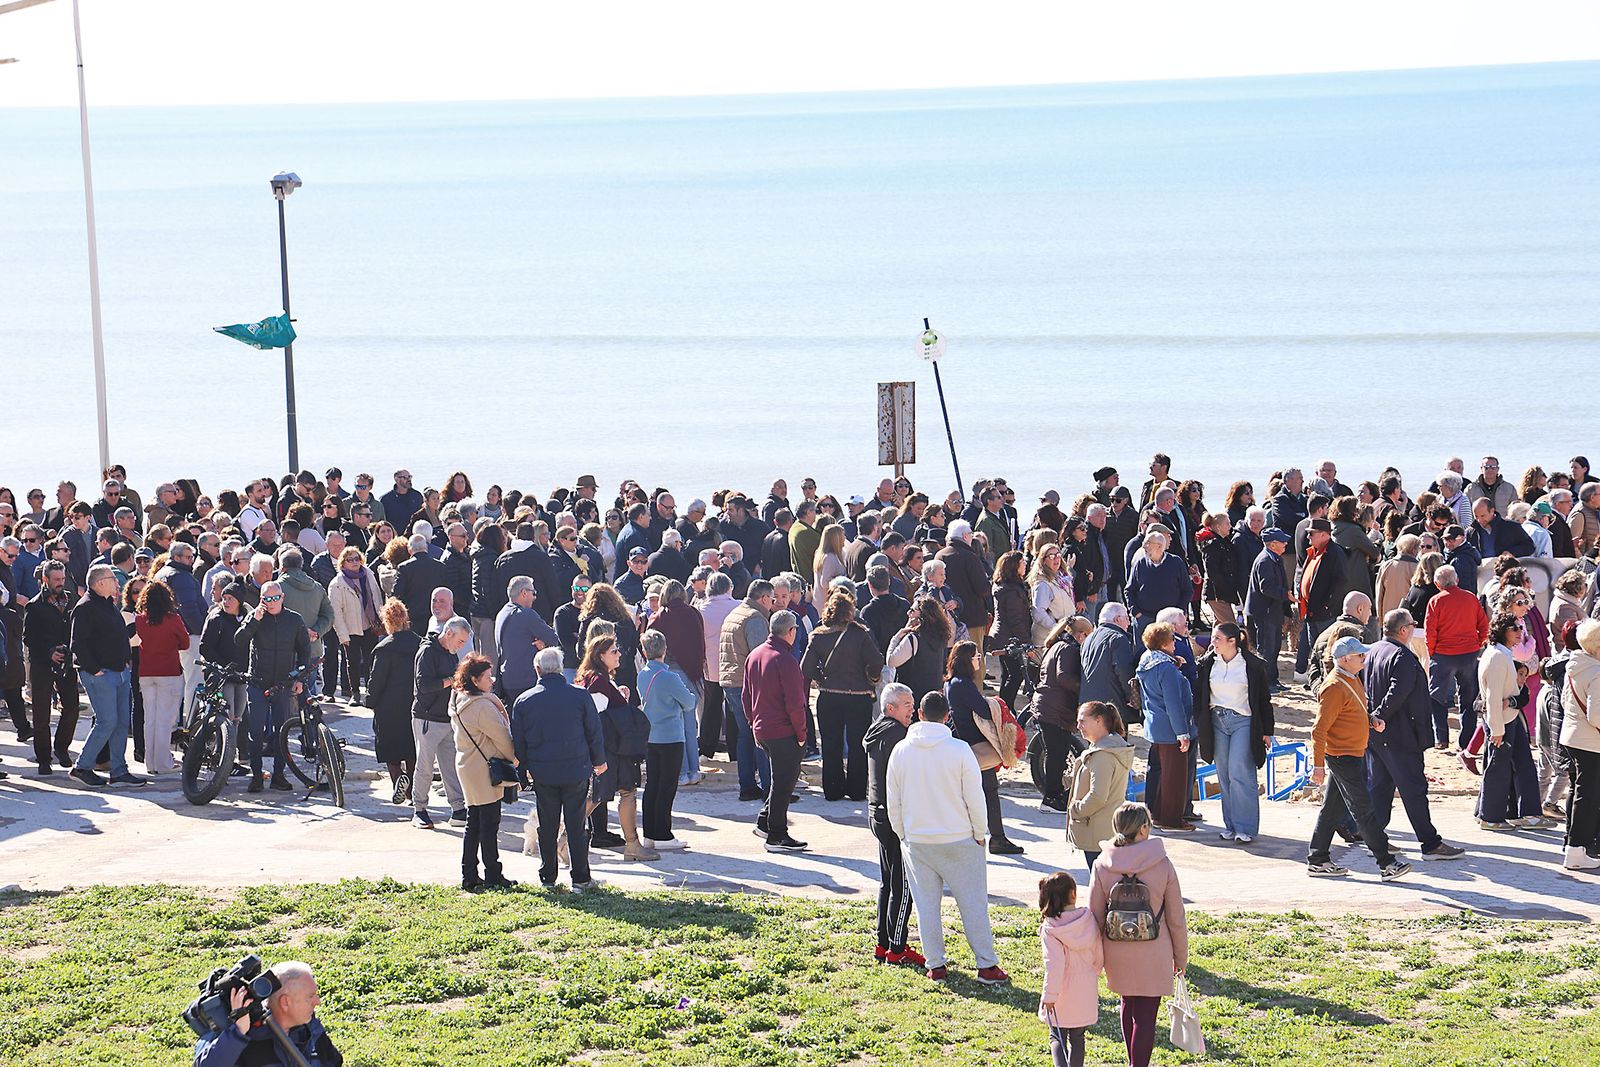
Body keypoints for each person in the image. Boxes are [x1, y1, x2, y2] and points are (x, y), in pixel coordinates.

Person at [887, 690, 1009, 985]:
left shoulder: (901, 751)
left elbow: (894, 799)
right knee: (973, 904)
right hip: (959, 838)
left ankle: (936, 965)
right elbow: (974, 798)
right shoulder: (959, 750)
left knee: (927, 906)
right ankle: (986, 965)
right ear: (947, 717)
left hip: (917, 840)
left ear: (919, 715)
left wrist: (903, 833)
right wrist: (980, 833)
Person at [1088, 802, 1188, 1067]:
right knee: (1146, 1016)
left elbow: (1095, 915)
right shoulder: (1162, 864)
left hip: (1116, 948)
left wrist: (1095, 955)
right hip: (1154, 949)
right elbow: (1176, 917)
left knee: (1127, 1003)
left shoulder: (1102, 864)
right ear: (1143, 829)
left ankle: (1133, 1061)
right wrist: (1181, 957)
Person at [1307, 636, 1411, 881]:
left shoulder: (1351, 679)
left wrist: (1370, 720)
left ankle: (1318, 859)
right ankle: (1387, 862)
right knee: (1363, 810)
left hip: (1352, 754)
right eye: (1360, 656)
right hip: (1342, 756)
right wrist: (1318, 765)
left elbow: (1353, 712)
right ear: (1344, 659)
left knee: (1332, 809)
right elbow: (1319, 730)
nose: (1365, 659)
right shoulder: (1333, 687)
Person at [1364, 609, 1465, 860]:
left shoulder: (1374, 650)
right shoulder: (1402, 657)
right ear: (1403, 630)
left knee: (1380, 787)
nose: (1413, 629)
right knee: (1413, 789)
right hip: (1399, 734)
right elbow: (1398, 691)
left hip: (1379, 735)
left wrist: (1373, 717)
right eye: (1412, 625)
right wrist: (1379, 715)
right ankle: (1429, 843)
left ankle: (1375, 839)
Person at [513, 646, 607, 889]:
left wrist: (523, 770)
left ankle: (548, 876)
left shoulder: (524, 701)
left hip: (544, 772)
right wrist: (599, 761)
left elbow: (519, 741)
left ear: (537, 670)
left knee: (547, 824)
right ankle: (580, 878)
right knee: (576, 825)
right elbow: (594, 732)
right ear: (560, 667)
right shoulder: (579, 695)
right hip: (576, 768)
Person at [1194, 621, 1274, 844]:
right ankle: (1230, 825)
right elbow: (1198, 695)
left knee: (1240, 771)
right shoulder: (1208, 663)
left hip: (1243, 721)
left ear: (1233, 641)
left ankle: (1245, 827)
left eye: (1217, 638)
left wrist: (1267, 730)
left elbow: (1264, 701)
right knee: (1224, 773)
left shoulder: (1252, 665)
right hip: (1216, 721)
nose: (1212, 642)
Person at [800, 589, 884, 801]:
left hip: (829, 696)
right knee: (857, 744)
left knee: (830, 743)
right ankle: (856, 791)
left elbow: (806, 667)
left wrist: (821, 678)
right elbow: (876, 662)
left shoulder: (819, 636)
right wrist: (871, 679)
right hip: (858, 695)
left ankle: (833, 789)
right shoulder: (860, 634)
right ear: (850, 610)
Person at [864, 683, 924, 967]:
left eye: (912, 704)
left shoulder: (878, 729)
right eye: (907, 705)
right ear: (890, 708)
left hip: (876, 813)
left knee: (887, 883)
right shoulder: (899, 736)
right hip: (893, 818)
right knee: (903, 887)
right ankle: (897, 948)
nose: (912, 710)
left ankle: (883, 943)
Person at [945, 639, 1023, 854]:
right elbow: (984, 711)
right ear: (967, 661)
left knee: (979, 792)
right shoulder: (963, 684)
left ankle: (992, 837)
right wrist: (994, 702)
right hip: (976, 746)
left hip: (965, 745)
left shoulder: (952, 682)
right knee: (988, 791)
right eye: (976, 656)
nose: (979, 659)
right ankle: (996, 839)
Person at [580, 635, 655, 861]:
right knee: (610, 794)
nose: (619, 654)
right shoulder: (599, 681)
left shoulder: (600, 679)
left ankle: (563, 839)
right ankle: (563, 839)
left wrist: (619, 697)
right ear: (600, 656)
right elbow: (593, 717)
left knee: (612, 794)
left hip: (612, 748)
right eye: (613, 651)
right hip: (611, 750)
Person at [233, 580, 310, 793]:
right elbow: (239, 640)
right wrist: (254, 621)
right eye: (267, 599)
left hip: (283, 684)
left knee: (281, 732)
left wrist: (299, 679)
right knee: (256, 731)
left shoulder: (294, 620)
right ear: (261, 600)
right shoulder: (255, 617)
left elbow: (304, 651)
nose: (272, 602)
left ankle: (278, 775)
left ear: (282, 598)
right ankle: (256, 775)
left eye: (275, 598)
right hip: (257, 682)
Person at [69, 564, 142, 787]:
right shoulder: (85, 607)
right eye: (112, 579)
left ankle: (119, 770)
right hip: (101, 674)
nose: (117, 583)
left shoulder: (108, 604)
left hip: (119, 672)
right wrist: (94, 669)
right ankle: (82, 766)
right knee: (107, 721)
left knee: (120, 723)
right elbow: (77, 644)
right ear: (100, 583)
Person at [450, 653, 518, 891]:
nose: (492, 681)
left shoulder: (459, 701)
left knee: (474, 823)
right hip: (484, 770)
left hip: (468, 766)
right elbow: (502, 738)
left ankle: (469, 874)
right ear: (475, 680)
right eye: (488, 677)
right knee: (488, 825)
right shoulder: (480, 707)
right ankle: (493, 874)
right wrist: (515, 760)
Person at [743, 609, 809, 852]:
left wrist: (752, 723)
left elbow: (745, 696)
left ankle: (764, 822)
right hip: (783, 731)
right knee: (784, 783)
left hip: (762, 729)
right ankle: (777, 836)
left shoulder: (755, 655)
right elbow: (796, 703)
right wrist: (802, 735)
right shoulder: (786, 660)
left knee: (778, 779)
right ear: (791, 632)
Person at [191, 960, 339, 1067]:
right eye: (310, 996)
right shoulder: (242, 1039)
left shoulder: (310, 1028)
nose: (317, 1001)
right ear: (285, 1002)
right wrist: (238, 1032)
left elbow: (333, 1062)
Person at [1475, 613, 1546, 830]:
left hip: (1511, 719)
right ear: (1502, 630)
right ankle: (1490, 816)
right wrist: (1496, 728)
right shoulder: (1496, 656)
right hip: (1502, 722)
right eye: (1515, 628)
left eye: (1520, 628)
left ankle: (1528, 814)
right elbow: (1493, 695)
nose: (1520, 633)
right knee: (1498, 768)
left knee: (1524, 764)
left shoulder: (1502, 653)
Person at [1037, 870, 1103, 1067]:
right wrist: (1094, 972)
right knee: (1078, 1036)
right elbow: (1098, 951)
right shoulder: (1088, 919)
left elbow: (1054, 965)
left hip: (1062, 990)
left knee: (1057, 1036)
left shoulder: (1051, 928)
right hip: (1086, 986)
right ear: (1073, 893)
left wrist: (1050, 995)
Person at [638, 628, 696, 850]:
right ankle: (663, 834)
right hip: (671, 737)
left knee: (653, 785)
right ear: (664, 649)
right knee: (667, 787)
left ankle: (650, 833)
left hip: (651, 737)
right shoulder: (669, 677)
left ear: (644, 651)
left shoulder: (642, 674)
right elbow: (689, 703)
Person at [411, 617, 471, 829]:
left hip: (446, 717)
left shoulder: (450, 654)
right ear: (449, 634)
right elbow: (423, 686)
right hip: (427, 717)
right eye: (460, 641)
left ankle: (458, 808)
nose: (461, 646)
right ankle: (419, 809)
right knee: (425, 766)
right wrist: (451, 681)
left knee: (451, 765)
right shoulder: (427, 652)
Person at [1134, 621, 1193, 832]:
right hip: (1170, 729)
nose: (1175, 644)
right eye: (1171, 640)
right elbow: (1173, 703)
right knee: (1174, 776)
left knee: (1159, 774)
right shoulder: (1165, 669)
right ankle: (1171, 820)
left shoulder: (1147, 661)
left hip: (1154, 726)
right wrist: (1182, 733)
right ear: (1164, 643)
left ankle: (1157, 815)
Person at [23, 559, 80, 774]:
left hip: (67, 662)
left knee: (72, 706)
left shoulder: (72, 600)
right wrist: (49, 651)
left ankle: (62, 748)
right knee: (41, 713)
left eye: (62, 579)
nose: (60, 583)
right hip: (41, 664)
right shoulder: (34, 605)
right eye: (56, 580)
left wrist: (69, 650)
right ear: (45, 580)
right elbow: (28, 638)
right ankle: (44, 758)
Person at [1424, 563, 1489, 750]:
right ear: (1457, 580)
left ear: (1437, 584)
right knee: (1467, 699)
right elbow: (1484, 625)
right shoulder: (1470, 598)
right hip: (1468, 654)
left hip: (1443, 654)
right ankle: (1465, 742)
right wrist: (1477, 644)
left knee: (1437, 697)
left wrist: (1433, 652)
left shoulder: (1436, 601)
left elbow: (1430, 632)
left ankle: (1441, 738)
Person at [1031, 616, 1093, 809]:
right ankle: (1050, 798)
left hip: (1049, 705)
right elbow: (1063, 677)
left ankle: (1055, 794)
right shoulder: (1068, 649)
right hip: (1054, 708)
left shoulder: (1057, 645)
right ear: (1081, 635)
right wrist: (1084, 688)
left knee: (1058, 752)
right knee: (1056, 754)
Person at [1067, 701, 1133, 870]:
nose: (1078, 726)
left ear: (1098, 720)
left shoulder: (1102, 755)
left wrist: (1076, 810)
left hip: (1097, 832)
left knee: (1101, 886)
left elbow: (1097, 796)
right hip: (1105, 829)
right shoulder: (1107, 749)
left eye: (1082, 721)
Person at [133, 579, 190, 775]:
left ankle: (151, 763)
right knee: (165, 720)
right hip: (169, 672)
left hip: (146, 672)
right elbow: (185, 643)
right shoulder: (173, 619)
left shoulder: (139, 619)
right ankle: (164, 763)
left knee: (150, 719)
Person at [366, 598, 420, 805]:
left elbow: (376, 680)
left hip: (388, 706)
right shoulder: (419, 643)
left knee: (391, 750)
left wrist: (370, 701)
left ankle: (398, 781)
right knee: (412, 750)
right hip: (414, 704)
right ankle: (412, 791)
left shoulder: (384, 649)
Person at [1560, 620, 1600, 870]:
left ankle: (1572, 844)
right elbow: (1596, 716)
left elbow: (1566, 700)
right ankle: (1578, 849)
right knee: (1588, 795)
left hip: (1572, 737)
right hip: (1590, 740)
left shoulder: (1575, 665)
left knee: (1578, 791)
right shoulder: (1596, 672)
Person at [327, 546, 383, 705]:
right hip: (351, 628)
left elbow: (377, 598)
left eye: (357, 558)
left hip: (370, 625)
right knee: (352, 662)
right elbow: (336, 613)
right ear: (342, 563)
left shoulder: (368, 574)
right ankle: (355, 693)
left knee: (370, 660)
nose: (354, 562)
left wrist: (380, 620)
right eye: (350, 560)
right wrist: (343, 635)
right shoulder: (337, 584)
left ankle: (370, 693)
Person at [495, 575, 561, 704]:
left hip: (507, 681)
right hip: (526, 681)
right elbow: (554, 639)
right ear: (524, 593)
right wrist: (543, 646)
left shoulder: (501, 613)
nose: (535, 597)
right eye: (533, 592)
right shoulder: (526, 615)